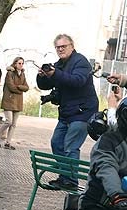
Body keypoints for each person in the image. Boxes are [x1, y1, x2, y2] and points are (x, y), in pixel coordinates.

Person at [37, 34, 99, 190]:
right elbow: (46, 85)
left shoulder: (81, 61)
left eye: (63, 46)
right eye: (57, 47)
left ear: (72, 46)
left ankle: (71, 181)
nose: (60, 49)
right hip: (67, 112)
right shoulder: (58, 65)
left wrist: (55, 74)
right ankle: (65, 176)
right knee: (56, 143)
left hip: (83, 112)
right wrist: (42, 76)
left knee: (70, 146)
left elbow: (77, 81)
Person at [0, 57, 28, 150]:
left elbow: (27, 87)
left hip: (18, 102)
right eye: (19, 63)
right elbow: (11, 87)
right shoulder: (10, 73)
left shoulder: (23, 74)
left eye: (22, 63)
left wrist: (19, 87)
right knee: (8, 121)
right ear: (15, 63)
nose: (21, 65)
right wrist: (20, 89)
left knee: (13, 124)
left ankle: (7, 143)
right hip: (9, 101)